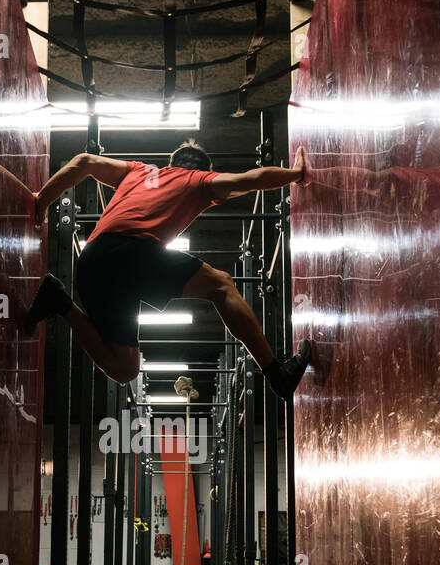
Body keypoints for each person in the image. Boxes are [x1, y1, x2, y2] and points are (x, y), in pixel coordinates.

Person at [23, 138, 313, 398]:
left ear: (171, 162)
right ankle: (278, 374)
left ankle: (59, 300)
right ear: (204, 168)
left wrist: (42, 200)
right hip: (131, 253)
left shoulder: (137, 172)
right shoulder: (198, 180)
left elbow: (84, 162)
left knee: (124, 369)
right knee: (222, 285)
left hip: (92, 260)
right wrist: (296, 175)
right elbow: (252, 179)